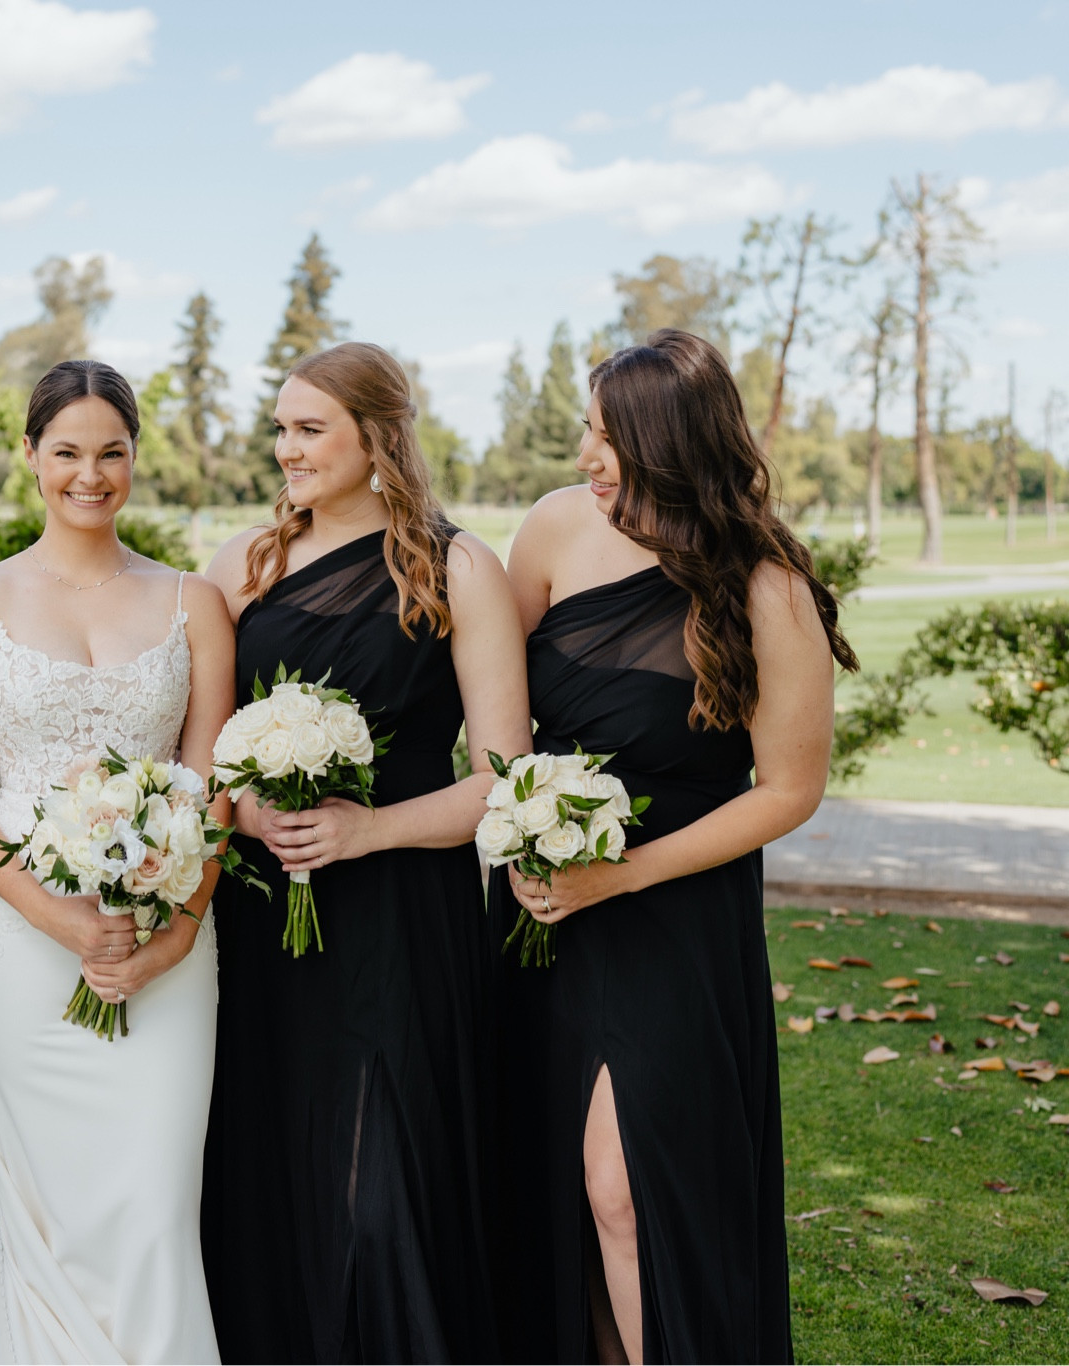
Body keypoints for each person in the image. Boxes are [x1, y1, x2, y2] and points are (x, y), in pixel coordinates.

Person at [494, 329, 855, 1364]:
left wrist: (624, 873)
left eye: (600, 436)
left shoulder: (766, 586)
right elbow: (492, 711)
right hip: (538, 905)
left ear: (661, 442)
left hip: (671, 914)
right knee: (556, 1188)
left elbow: (788, 788)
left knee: (627, 1187)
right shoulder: (553, 532)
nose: (581, 456)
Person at [199, 341, 530, 1362]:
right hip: (264, 913)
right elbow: (201, 757)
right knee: (268, 1172)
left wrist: (369, 828)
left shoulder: (455, 566)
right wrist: (249, 811)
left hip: (404, 915)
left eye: (309, 429)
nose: (284, 448)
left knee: (381, 1190)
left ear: (376, 437)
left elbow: (504, 779)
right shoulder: (240, 566)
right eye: (280, 428)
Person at [0, 359, 236, 1363]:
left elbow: (210, 786)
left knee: (150, 1201)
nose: (89, 475)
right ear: (28, 455)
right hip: (21, 944)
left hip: (165, 946)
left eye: (111, 452)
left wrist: (173, 933)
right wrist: (54, 917)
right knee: (44, 1209)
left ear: (135, 457)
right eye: (66, 452)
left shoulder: (193, 602)